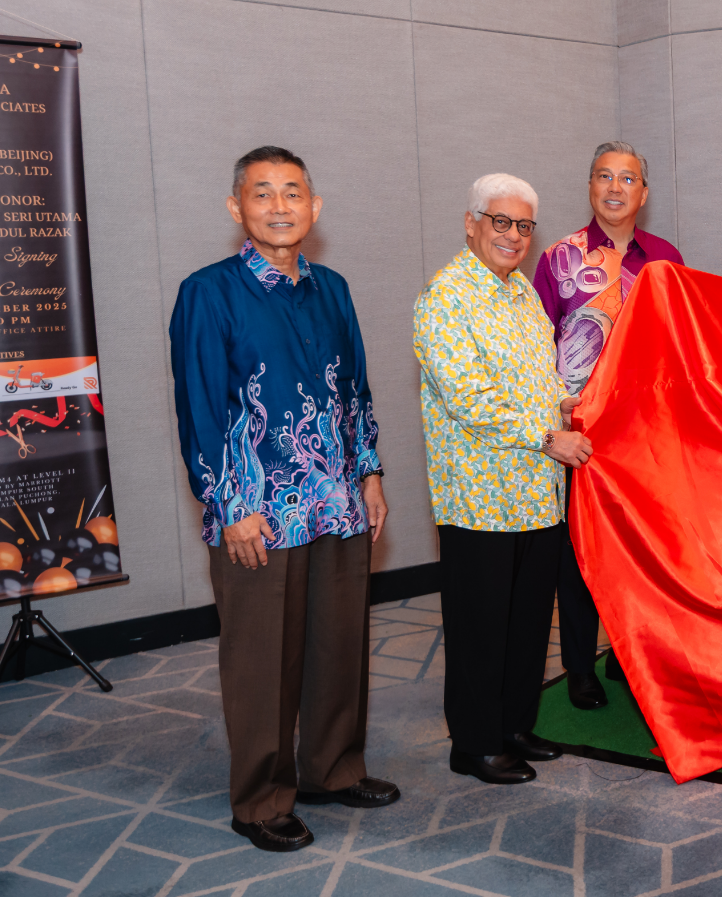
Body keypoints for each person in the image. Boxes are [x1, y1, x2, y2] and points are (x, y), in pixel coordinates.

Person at [169, 146, 399, 854]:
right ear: (236, 207)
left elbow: (355, 388)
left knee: (338, 645)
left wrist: (370, 472)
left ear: (314, 206)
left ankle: (332, 769)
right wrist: (228, 505)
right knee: (262, 660)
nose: (279, 206)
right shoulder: (209, 292)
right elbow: (201, 409)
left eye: (292, 192)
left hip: (337, 502)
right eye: (262, 193)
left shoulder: (332, 287)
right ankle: (261, 800)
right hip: (259, 512)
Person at [414, 172, 592, 785]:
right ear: (471, 224)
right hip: (479, 500)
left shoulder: (523, 295)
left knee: (526, 623)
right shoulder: (445, 298)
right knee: (480, 627)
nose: (513, 235)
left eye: (524, 225)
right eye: (500, 222)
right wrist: (548, 436)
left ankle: (515, 725)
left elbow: (543, 379)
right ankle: (473, 743)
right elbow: (470, 398)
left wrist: (569, 404)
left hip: (538, 493)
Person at [531, 141, 684, 709]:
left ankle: (629, 653)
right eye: (604, 176)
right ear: (590, 186)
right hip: (582, 434)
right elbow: (535, 346)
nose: (615, 188)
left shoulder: (666, 258)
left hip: (646, 430)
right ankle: (579, 666)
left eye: (627, 178)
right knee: (579, 554)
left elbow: (680, 342)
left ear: (644, 193)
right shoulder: (558, 258)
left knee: (641, 549)